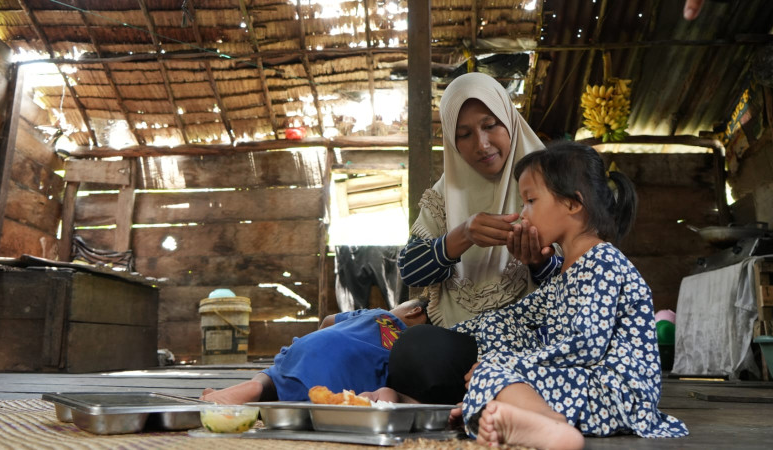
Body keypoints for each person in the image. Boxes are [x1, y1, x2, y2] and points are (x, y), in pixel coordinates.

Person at [447, 142, 688, 448]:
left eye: (530, 201)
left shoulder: (603, 261)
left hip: (615, 394)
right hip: (584, 386)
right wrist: (450, 334)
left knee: (492, 371)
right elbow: (513, 315)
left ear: (573, 204)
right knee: (498, 336)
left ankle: (551, 426)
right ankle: (509, 412)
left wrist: (507, 364)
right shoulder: (566, 273)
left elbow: (586, 345)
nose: (522, 214)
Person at [398, 72, 557, 328]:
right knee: (415, 346)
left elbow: (578, 279)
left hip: (533, 333)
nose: (482, 145)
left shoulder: (552, 183)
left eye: (490, 125)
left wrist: (539, 261)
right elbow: (411, 271)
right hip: (456, 332)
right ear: (452, 142)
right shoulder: (445, 195)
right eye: (464, 134)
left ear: (509, 120)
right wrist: (463, 235)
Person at [200, 299, 430, 404]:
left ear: (413, 310)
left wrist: (316, 348)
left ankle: (257, 387)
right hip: (344, 380)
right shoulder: (407, 347)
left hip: (312, 348)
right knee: (372, 392)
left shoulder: (377, 314)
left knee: (277, 373)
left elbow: (328, 321)